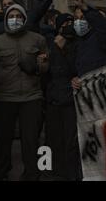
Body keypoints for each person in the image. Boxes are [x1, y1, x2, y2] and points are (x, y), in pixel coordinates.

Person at [0, 4, 49, 181]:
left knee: (31, 139)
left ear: (24, 19)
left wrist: (38, 65)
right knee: (3, 139)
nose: (14, 19)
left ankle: (32, 173)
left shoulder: (38, 39)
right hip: (5, 97)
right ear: (6, 19)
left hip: (32, 96)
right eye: (11, 16)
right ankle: (1, 172)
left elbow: (46, 66)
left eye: (18, 16)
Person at [44, 13, 81, 181]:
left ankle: (69, 173)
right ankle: (51, 171)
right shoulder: (50, 44)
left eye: (71, 22)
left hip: (70, 100)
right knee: (53, 138)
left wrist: (61, 50)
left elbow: (71, 70)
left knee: (70, 141)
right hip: (53, 100)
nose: (69, 25)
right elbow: (50, 72)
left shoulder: (77, 46)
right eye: (65, 23)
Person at [71, 0, 106, 77]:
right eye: (76, 18)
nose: (78, 21)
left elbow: (105, 28)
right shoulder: (79, 42)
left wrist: (85, 8)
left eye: (83, 18)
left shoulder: (101, 37)